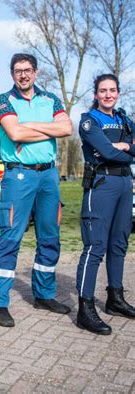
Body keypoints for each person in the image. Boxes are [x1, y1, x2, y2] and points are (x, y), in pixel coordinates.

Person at [0, 53, 73, 327]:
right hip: (19, 175)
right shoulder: (5, 100)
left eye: (27, 70)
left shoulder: (51, 99)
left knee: (50, 237)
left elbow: (68, 128)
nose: (22, 75)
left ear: (36, 72)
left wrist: (30, 126)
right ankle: (0, 303)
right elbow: (15, 134)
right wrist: (50, 130)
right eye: (17, 71)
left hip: (48, 176)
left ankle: (44, 294)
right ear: (12, 74)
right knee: (10, 239)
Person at [76, 74, 135, 335]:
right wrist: (127, 148)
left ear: (118, 93)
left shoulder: (124, 119)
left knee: (119, 244)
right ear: (96, 94)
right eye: (103, 91)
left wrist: (122, 145)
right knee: (95, 247)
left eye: (112, 90)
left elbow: (115, 149)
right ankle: (85, 309)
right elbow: (107, 153)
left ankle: (115, 298)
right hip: (102, 184)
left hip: (125, 184)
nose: (108, 95)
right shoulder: (89, 121)